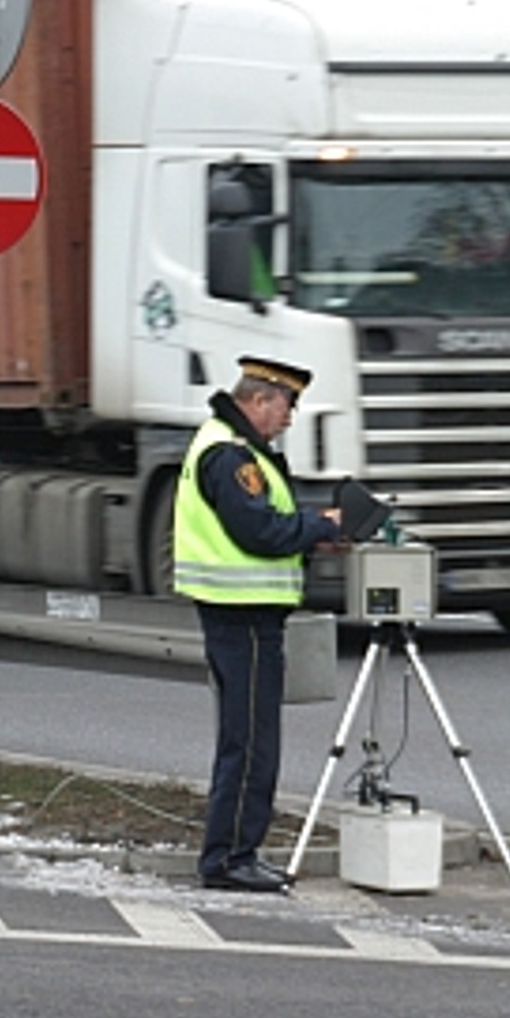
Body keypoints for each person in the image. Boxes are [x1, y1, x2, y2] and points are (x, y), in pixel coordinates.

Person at [174, 356, 343, 892]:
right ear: (261, 399)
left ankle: (234, 853)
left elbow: (266, 521)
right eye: (288, 406)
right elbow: (259, 531)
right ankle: (229, 860)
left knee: (247, 738)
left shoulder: (236, 448)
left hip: (245, 612)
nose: (291, 418)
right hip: (240, 612)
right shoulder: (231, 455)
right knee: (250, 743)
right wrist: (319, 526)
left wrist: (317, 526)